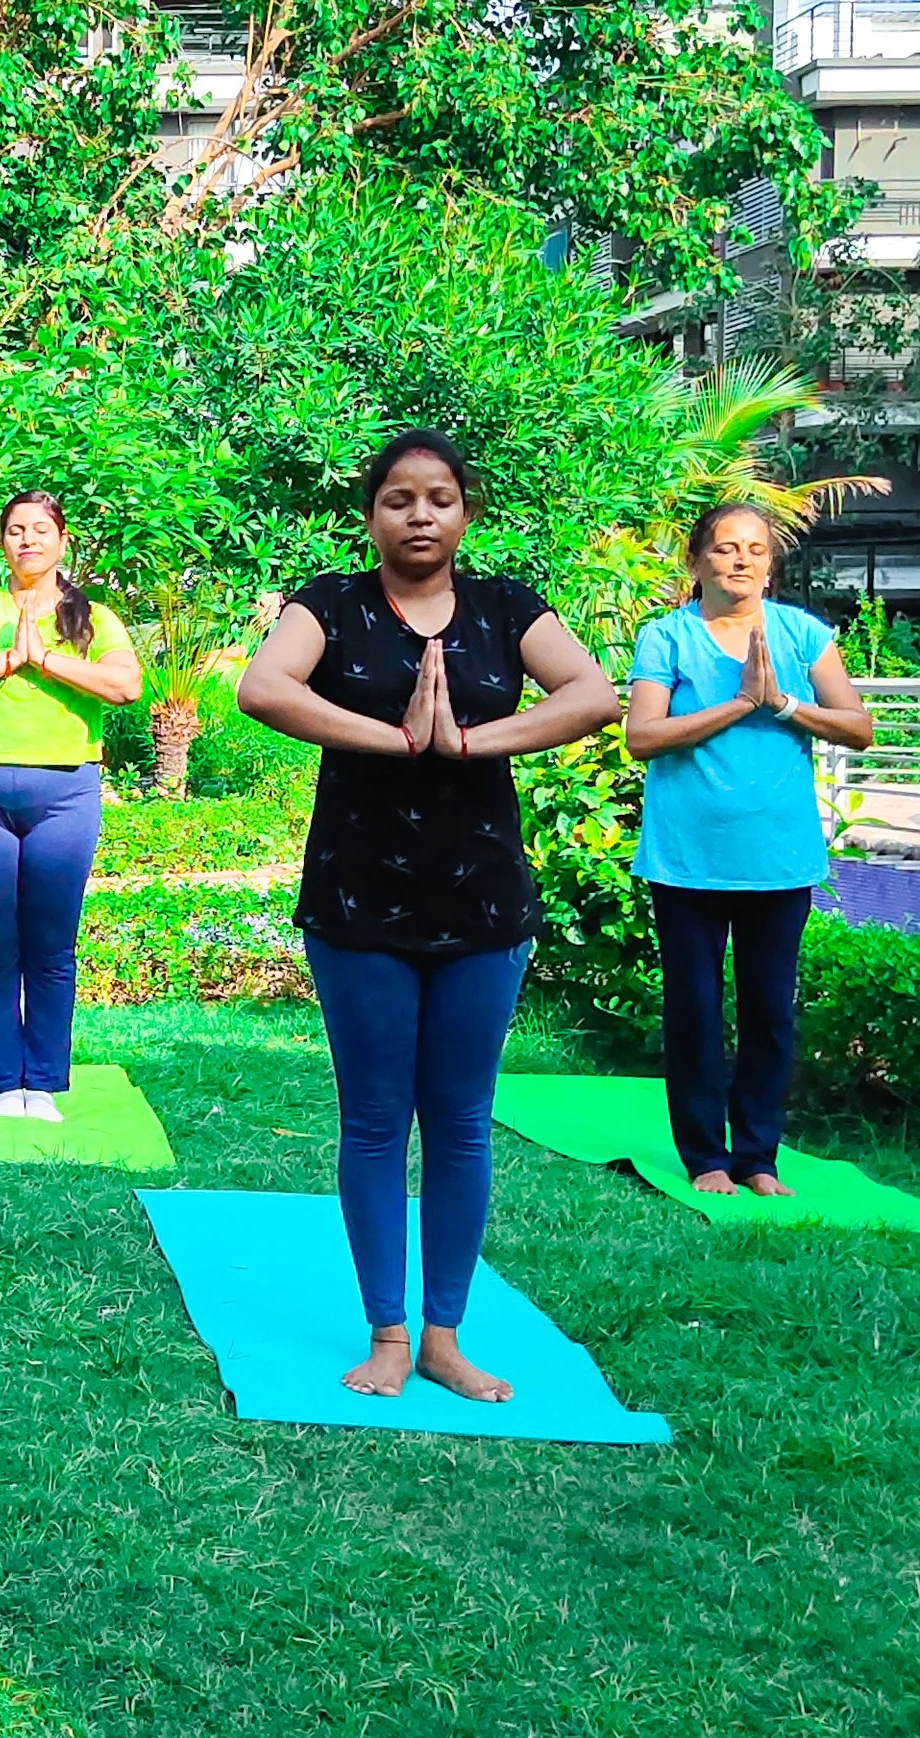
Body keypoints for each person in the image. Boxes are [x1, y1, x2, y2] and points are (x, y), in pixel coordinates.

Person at [236, 428, 619, 1406]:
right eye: (397, 499)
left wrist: (467, 741)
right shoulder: (329, 603)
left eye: (438, 498)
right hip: (358, 901)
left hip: (483, 904)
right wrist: (394, 738)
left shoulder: (504, 609)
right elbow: (262, 687)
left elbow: (591, 693)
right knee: (373, 1120)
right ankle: (388, 1333)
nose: (418, 515)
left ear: (465, 513)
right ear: (369, 516)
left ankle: (445, 1335)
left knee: (457, 1124)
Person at [624, 504, 875, 1197]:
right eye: (726, 548)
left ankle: (759, 1157)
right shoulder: (667, 636)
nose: (742, 560)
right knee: (695, 1009)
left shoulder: (803, 634)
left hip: (778, 859)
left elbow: (858, 726)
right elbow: (641, 736)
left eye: (756, 550)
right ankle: (706, 1155)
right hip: (685, 860)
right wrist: (739, 703)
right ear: (697, 560)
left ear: (771, 564)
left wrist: (785, 704)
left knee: (769, 1010)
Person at [0, 491, 142, 1118]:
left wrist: (46, 660)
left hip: (66, 793)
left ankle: (46, 1082)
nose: (27, 540)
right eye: (15, 530)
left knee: (51, 944)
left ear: (62, 540)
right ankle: (3, 1082)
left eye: (39, 530)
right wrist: (6, 660)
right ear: (1, 542)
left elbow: (125, 685)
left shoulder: (94, 618)